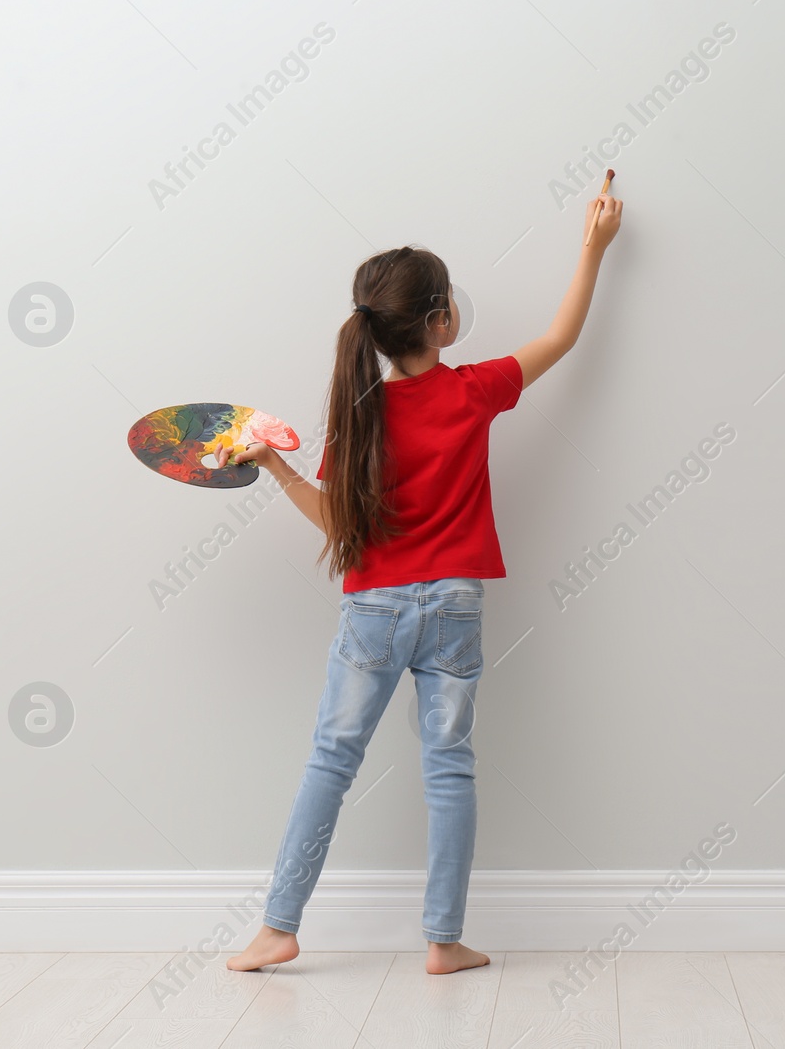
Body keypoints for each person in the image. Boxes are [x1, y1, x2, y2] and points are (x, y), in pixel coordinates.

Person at [220, 192, 622, 975]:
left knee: (330, 762)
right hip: (456, 607)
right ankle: (443, 941)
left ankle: (277, 928)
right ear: (439, 321)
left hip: (373, 609)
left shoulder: (361, 413)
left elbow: (338, 525)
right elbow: (562, 336)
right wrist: (593, 245)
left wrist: (273, 466)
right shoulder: (474, 390)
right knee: (450, 767)